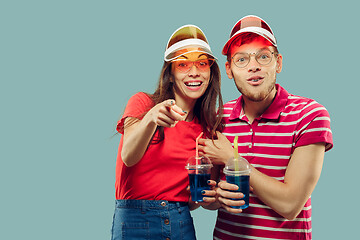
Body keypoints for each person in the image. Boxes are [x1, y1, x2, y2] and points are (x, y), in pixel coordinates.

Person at [198, 15, 333, 239]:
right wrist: (216, 198)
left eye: (263, 56)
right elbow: (207, 199)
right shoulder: (218, 118)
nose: (253, 67)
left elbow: (290, 205)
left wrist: (233, 160)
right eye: (242, 60)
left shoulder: (309, 115)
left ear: (278, 62)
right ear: (229, 69)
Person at [111, 24, 222, 240]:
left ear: (211, 72)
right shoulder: (142, 103)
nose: (194, 71)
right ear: (169, 74)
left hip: (180, 220)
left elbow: (194, 201)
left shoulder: (206, 129)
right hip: (135, 221)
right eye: (182, 64)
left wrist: (212, 198)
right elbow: (128, 156)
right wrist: (151, 119)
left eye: (202, 63)